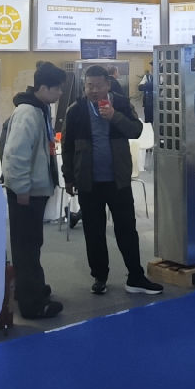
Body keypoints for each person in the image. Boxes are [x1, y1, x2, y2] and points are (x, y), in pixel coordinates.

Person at [62, 65, 162, 296]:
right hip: (88, 182)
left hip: (118, 180)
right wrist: (68, 177)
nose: (93, 90)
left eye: (98, 86)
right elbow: (67, 147)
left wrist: (114, 116)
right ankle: (99, 277)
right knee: (93, 232)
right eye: (89, 86)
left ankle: (135, 277)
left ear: (108, 84)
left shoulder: (122, 104)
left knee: (127, 229)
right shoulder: (75, 110)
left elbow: (136, 131)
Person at [1, 62, 66, 321]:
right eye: (57, 88)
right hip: (26, 192)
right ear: (43, 88)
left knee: (29, 244)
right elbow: (15, 154)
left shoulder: (39, 109)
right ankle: (32, 304)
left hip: (33, 189)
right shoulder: (28, 112)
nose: (60, 93)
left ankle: (29, 288)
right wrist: (21, 188)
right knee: (27, 246)